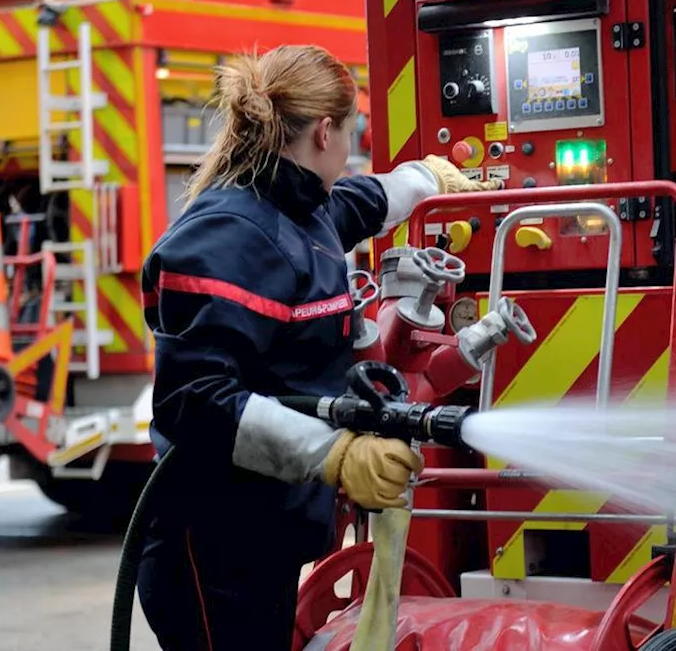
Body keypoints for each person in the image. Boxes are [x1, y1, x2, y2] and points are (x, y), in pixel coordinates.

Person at [135, 44, 498, 650]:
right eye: (353, 133)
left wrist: (426, 177)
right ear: (326, 131)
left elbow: (359, 204)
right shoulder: (227, 235)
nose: (352, 150)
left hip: (263, 534)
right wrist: (335, 455)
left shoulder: (298, 205)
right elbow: (192, 400)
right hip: (212, 549)